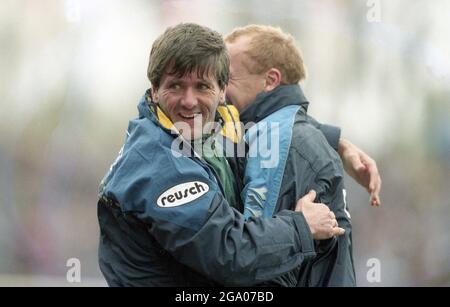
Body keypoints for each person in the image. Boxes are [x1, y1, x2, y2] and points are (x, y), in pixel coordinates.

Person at [97, 23, 344, 287]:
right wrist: (302, 228)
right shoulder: (161, 162)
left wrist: (336, 141)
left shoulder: (213, 129)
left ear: (222, 91)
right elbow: (230, 253)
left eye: (202, 87)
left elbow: (268, 119)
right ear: (155, 90)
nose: (189, 101)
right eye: (176, 86)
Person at [224, 25, 358, 286]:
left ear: (271, 80)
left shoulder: (276, 142)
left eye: (228, 78)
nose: (220, 91)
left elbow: (263, 262)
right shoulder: (292, 133)